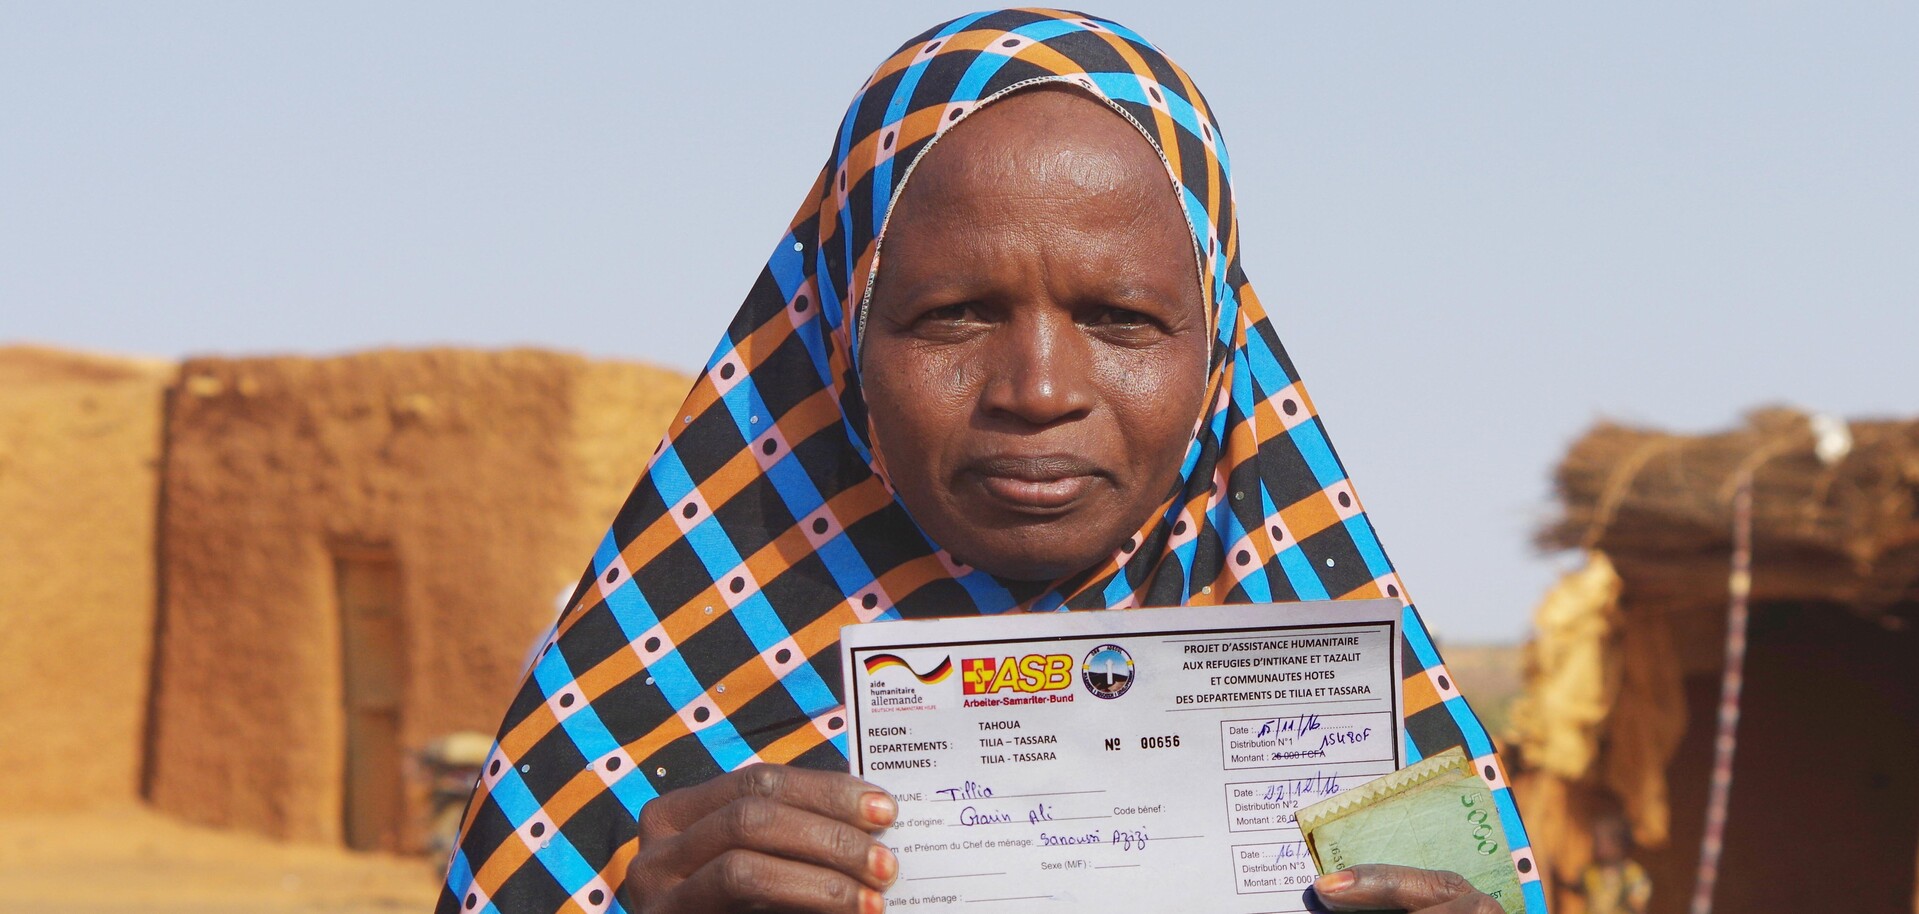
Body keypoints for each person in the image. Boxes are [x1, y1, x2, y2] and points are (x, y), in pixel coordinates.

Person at [439, 10, 1533, 914]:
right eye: (954, 314)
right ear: (839, 332)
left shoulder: (1383, 769)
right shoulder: (649, 764)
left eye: (1119, 316)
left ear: (1217, 348)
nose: (1040, 388)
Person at [1577, 814, 1651, 914]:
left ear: (1619, 844)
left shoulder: (1632, 874)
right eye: (1595, 839)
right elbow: (1579, 888)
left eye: (1600, 841)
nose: (1595, 845)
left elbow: (1639, 903)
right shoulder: (1590, 871)